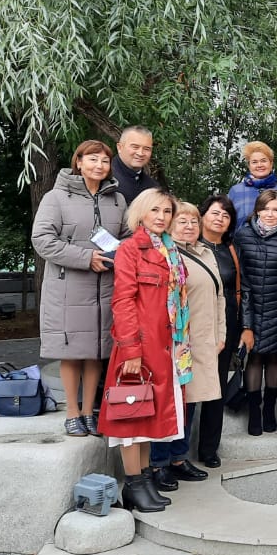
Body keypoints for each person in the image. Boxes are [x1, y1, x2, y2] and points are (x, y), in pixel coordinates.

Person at [98, 189, 187, 513]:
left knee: (148, 415)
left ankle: (145, 479)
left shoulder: (170, 249)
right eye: (155, 210)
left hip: (164, 345)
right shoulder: (130, 249)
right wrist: (131, 349)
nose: (161, 216)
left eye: (167, 211)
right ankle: (133, 484)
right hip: (138, 346)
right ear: (141, 213)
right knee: (131, 417)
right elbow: (123, 301)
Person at [31, 140, 127, 437]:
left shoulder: (117, 199)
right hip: (68, 288)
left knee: (96, 350)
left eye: (105, 161)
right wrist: (86, 258)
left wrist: (120, 253)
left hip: (106, 286)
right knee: (72, 351)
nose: (99, 165)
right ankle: (72, 412)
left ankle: (88, 411)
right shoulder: (56, 197)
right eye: (93, 159)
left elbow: (127, 236)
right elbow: (42, 240)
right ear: (79, 162)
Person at [145, 203, 221, 491]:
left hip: (201, 339)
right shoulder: (163, 254)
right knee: (168, 402)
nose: (189, 226)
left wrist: (220, 333)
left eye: (194, 221)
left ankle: (179, 457)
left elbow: (220, 296)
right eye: (182, 221)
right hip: (173, 339)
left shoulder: (206, 252)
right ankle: (159, 462)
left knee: (189, 401)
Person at [232, 189, 277, 436]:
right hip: (249, 304)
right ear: (257, 210)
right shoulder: (242, 235)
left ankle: (269, 409)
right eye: (265, 208)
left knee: (274, 358)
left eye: (276, 209)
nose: (270, 214)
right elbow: (240, 277)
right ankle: (254, 410)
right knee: (254, 357)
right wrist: (245, 321)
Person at [195, 195, 239, 467]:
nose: (220, 219)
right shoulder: (188, 247)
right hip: (193, 324)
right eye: (214, 213)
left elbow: (242, 290)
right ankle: (176, 455)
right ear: (202, 215)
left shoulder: (232, 250)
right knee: (188, 387)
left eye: (226, 215)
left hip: (225, 326)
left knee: (217, 386)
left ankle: (209, 448)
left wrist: (246, 327)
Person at [227, 141, 277, 231]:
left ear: (271, 163)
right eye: (254, 162)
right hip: (240, 240)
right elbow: (227, 224)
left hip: (276, 240)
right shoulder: (236, 191)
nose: (259, 165)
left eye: (263, 161)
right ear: (249, 165)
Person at [111, 125, 158, 206]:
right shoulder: (103, 178)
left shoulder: (152, 187)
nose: (140, 153)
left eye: (146, 149)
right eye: (135, 147)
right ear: (119, 147)